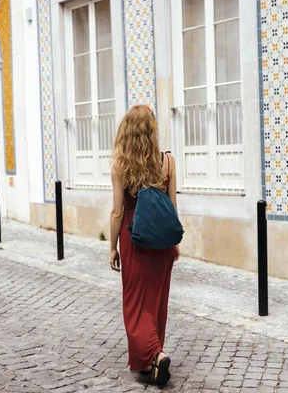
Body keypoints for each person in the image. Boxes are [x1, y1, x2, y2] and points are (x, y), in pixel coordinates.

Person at [109, 105, 180, 385]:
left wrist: (112, 247)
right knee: (156, 300)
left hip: (134, 239)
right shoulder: (168, 161)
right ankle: (149, 361)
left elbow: (117, 211)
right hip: (162, 241)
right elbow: (172, 206)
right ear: (152, 130)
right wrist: (174, 243)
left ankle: (156, 354)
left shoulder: (121, 164)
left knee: (136, 304)